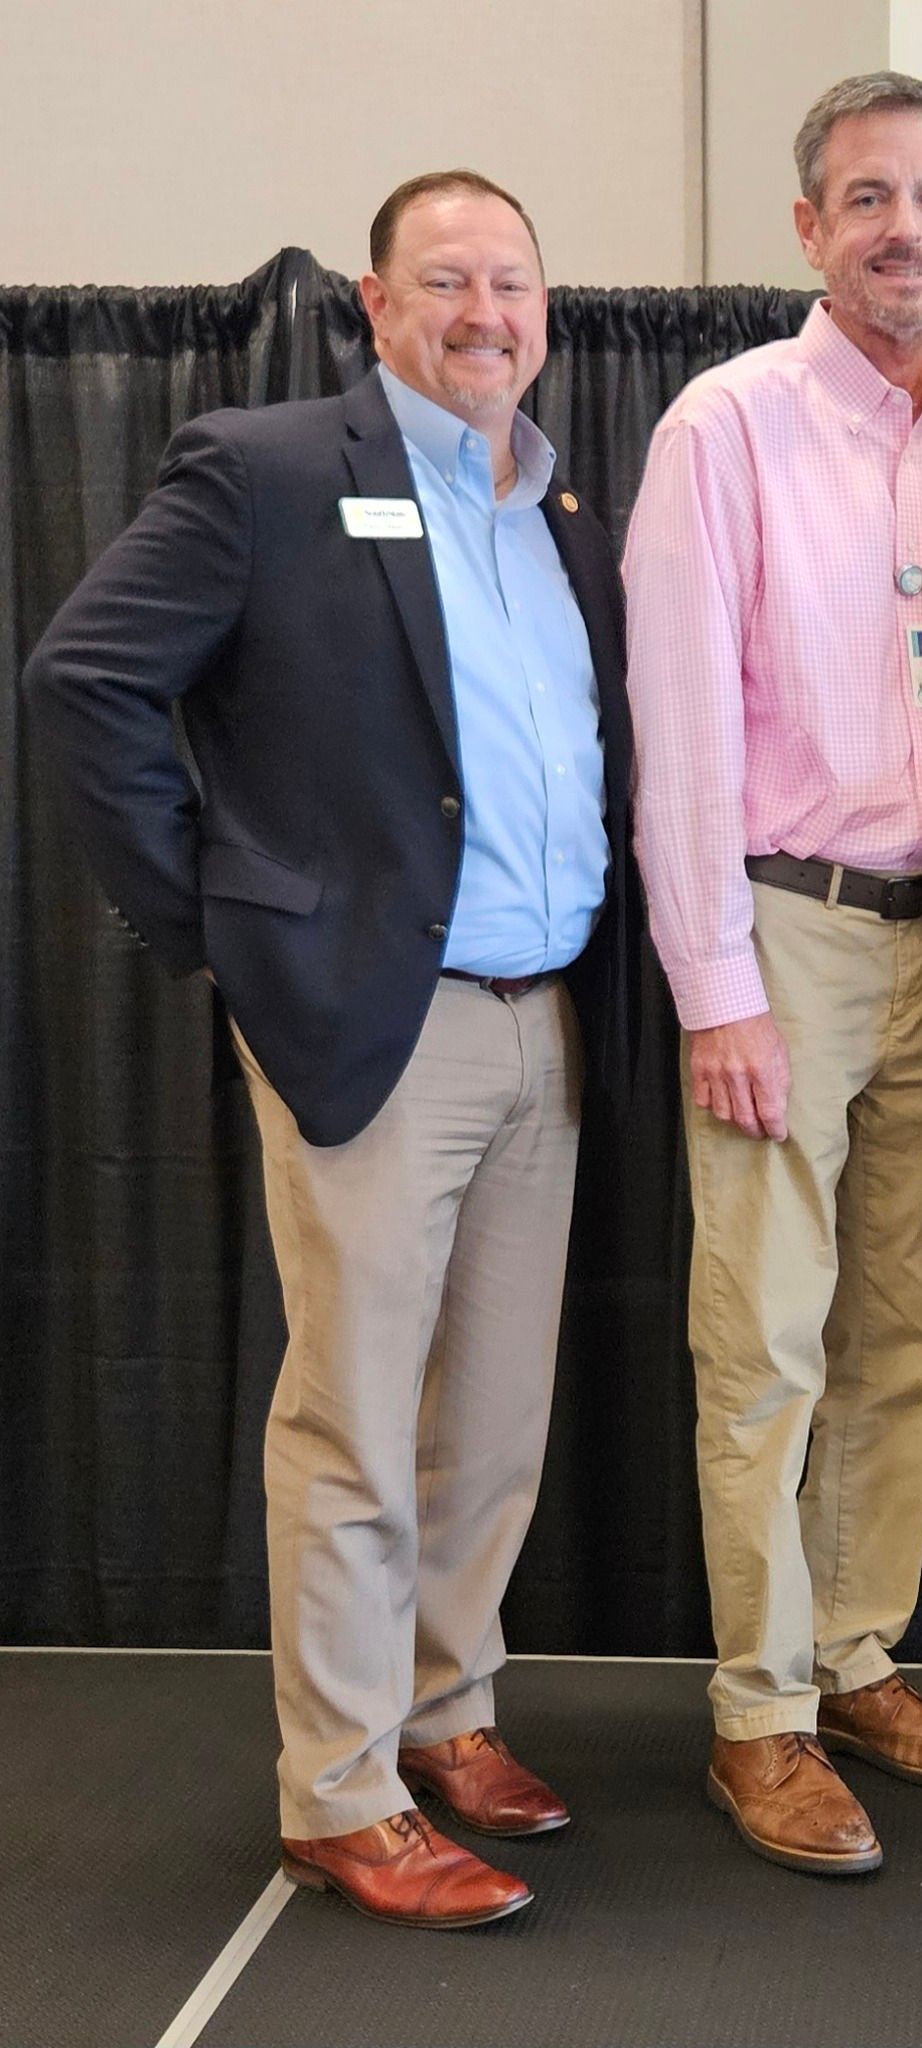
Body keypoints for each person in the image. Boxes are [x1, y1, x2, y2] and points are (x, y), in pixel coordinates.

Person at [25, 171, 631, 1930]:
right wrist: (215, 925)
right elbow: (85, 683)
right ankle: (337, 1791)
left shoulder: (557, 502)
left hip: (545, 1023)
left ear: (545, 304)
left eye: (510, 282)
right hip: (372, 1020)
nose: (483, 312)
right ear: (372, 304)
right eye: (445, 282)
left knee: (493, 1421)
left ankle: (447, 1713)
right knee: (358, 1427)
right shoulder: (273, 469)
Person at [621, 73, 922, 1876]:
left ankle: (858, 1655)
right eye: (866, 197)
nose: (904, 227)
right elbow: (679, 727)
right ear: (807, 228)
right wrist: (715, 984)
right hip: (783, 936)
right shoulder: (722, 428)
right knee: (764, 1350)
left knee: (908, 1343)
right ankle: (760, 1716)